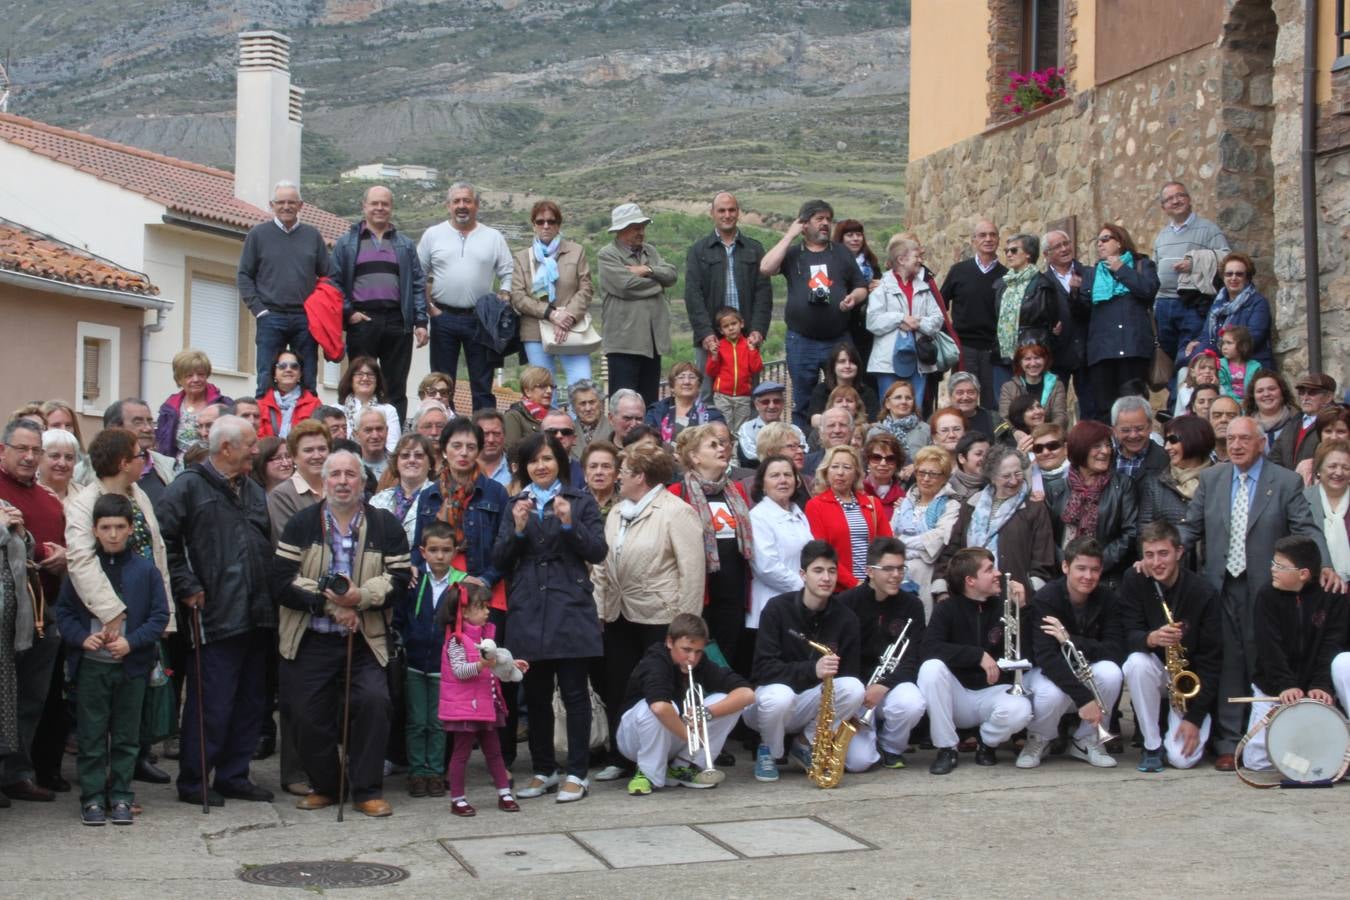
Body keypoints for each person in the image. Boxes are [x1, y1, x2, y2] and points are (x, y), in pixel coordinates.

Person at [1177, 416, 1337, 770]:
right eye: (1231, 439)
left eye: (1244, 439)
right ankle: (1229, 742)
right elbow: (1191, 528)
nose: (1235, 445)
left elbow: (1306, 528)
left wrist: (1323, 564)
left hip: (1267, 589)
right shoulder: (1212, 479)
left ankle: (1271, 737)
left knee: (1261, 658)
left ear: (1261, 442)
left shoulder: (1285, 481)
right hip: (1222, 585)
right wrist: (1166, 553)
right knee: (1230, 659)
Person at [272, 450, 411, 817]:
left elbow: (399, 581)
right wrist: (332, 604)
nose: (343, 481)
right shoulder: (302, 523)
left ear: (363, 483)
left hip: (365, 639)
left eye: (351, 474)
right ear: (324, 481)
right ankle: (328, 786)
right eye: (335, 474)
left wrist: (360, 598)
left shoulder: (386, 525)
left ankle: (366, 790)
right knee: (305, 714)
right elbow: (280, 582)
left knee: (374, 704)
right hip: (310, 636)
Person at [157, 415, 275, 806]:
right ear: (226, 448)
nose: (256, 451)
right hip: (213, 615)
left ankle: (233, 775)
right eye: (250, 444)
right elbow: (165, 543)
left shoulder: (254, 489)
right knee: (212, 703)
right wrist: (187, 585)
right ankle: (194, 781)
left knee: (250, 703)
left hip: (257, 613)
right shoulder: (187, 487)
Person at [493, 433, 606, 802]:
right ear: (524, 468)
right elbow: (500, 559)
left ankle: (577, 772)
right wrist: (520, 530)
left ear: (559, 460)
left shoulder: (579, 499)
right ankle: (543, 769)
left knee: (574, 693)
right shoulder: (516, 503)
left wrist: (571, 524)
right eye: (533, 461)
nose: (540, 466)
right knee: (536, 695)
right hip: (528, 606)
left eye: (547, 459)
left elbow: (598, 551)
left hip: (569, 604)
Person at [54, 493, 170, 826]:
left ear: (132, 529)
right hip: (92, 667)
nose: (114, 534)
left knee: (126, 736)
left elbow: (158, 616)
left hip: (131, 667)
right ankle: (91, 797)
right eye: (106, 527)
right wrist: (80, 638)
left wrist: (132, 643)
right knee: (90, 736)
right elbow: (64, 612)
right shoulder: (83, 570)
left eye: (120, 527)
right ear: (94, 530)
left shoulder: (146, 571)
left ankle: (120, 795)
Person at [591, 444, 703, 781]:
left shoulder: (676, 511)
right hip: (618, 614)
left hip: (661, 617)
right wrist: (598, 608)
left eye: (622, 471)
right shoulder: (615, 511)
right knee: (618, 685)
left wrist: (687, 629)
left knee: (661, 688)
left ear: (640, 476)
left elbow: (693, 571)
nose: (617, 477)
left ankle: (670, 757)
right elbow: (601, 564)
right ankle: (621, 756)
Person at [743, 541, 863, 782]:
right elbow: (763, 670)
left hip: (810, 704)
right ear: (803, 575)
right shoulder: (777, 609)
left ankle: (806, 743)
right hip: (767, 704)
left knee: (854, 688)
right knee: (780, 696)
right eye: (818, 571)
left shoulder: (846, 618)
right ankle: (769, 751)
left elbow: (849, 673)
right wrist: (812, 670)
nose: (826, 578)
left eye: (832, 571)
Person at [918, 547, 1034, 774]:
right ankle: (946, 748)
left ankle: (987, 743)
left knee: (1021, 708)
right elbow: (929, 648)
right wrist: (976, 655)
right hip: (957, 695)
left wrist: (1023, 610)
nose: (998, 574)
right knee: (931, 669)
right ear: (970, 580)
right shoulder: (946, 609)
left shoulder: (1005, 606)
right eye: (990, 569)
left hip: (994, 692)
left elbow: (1027, 654)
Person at [1119, 521, 1223, 771]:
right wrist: (1150, 639)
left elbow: (1212, 659)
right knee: (1136, 663)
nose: (1157, 563)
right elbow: (1126, 634)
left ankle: (1180, 730)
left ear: (1179, 552)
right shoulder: (1134, 579)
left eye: (1163, 553)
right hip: (1155, 668)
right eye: (1149, 555)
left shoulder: (1203, 591)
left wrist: (1194, 718)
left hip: (1188, 681)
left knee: (1181, 760)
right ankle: (1151, 745)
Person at [760, 199, 869, 431]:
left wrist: (854, 298)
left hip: (838, 339)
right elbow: (766, 268)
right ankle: (804, 446)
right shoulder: (792, 253)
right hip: (802, 340)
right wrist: (789, 235)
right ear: (804, 224)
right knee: (802, 399)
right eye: (819, 219)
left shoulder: (840, 252)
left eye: (828, 219)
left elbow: (861, 286)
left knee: (844, 393)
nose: (825, 224)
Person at [618, 613, 755, 794]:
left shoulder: (701, 663)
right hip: (634, 739)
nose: (692, 658)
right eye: (686, 650)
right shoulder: (656, 661)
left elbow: (747, 694)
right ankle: (646, 772)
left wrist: (705, 712)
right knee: (656, 708)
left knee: (726, 700)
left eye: (698, 651)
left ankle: (684, 766)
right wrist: (693, 738)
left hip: (675, 735)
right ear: (669, 642)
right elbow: (660, 707)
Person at [1241, 536, 1347, 771]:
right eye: (1273, 563)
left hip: (1316, 687)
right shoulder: (1266, 596)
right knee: (1256, 761)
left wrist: (1322, 685)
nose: (1272, 569)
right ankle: (1302, 765)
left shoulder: (1332, 596)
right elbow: (1269, 648)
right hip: (1274, 687)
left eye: (1280, 566)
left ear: (1303, 574)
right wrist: (1284, 685)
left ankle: (1311, 762)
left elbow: (1333, 644)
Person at [1017, 537, 1123, 770]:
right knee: (1051, 692)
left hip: (1083, 666)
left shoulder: (1108, 599)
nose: (1088, 576)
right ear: (1066, 567)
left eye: (1094, 570)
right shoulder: (1047, 597)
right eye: (1081, 568)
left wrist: (1069, 640)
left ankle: (1087, 739)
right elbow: (1047, 657)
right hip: (1046, 671)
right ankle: (1040, 738)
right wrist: (1084, 698)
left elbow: (1115, 651)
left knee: (1112, 672)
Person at [0, 419, 64, 802]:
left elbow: (53, 544)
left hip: (45, 608)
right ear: (2, 450)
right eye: (21, 449)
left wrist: (62, 558)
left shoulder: (47, 498)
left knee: (31, 697)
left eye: (35, 450)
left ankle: (16, 773)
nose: (29, 457)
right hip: (4, 611)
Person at [330, 185, 429, 424]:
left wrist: (420, 321)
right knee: (360, 382)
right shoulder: (346, 244)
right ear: (364, 207)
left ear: (391, 208)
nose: (379, 208)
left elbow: (417, 283)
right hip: (363, 320)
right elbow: (333, 283)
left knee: (396, 385)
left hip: (398, 321)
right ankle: (356, 430)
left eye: (385, 204)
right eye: (374, 203)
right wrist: (349, 313)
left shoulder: (405, 245)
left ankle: (393, 442)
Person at [418, 182, 514, 415]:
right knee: (441, 384)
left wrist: (505, 292)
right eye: (457, 201)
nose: (462, 206)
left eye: (467, 201)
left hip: (480, 320)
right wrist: (429, 308)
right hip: (443, 317)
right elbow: (417, 274)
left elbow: (508, 271)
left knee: (482, 384)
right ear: (448, 206)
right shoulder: (433, 235)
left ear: (476, 205)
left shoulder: (493, 237)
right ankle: (443, 432)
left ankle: (485, 435)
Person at [437, 579, 528, 815]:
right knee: (461, 753)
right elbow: (459, 671)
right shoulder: (455, 641)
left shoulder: (485, 637)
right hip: (466, 709)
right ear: (465, 612)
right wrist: (481, 664)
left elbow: (495, 663)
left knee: (494, 751)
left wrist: (510, 664)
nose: (488, 611)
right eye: (482, 607)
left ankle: (504, 793)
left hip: (486, 705)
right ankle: (457, 798)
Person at [834, 538, 927, 770]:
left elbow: (913, 656)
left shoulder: (912, 605)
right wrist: (859, 689)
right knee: (858, 763)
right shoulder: (845, 604)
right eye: (888, 569)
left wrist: (883, 685)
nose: (896, 575)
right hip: (855, 690)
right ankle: (870, 742)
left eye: (900, 568)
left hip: (889, 686)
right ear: (869, 571)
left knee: (912, 702)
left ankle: (891, 747)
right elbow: (838, 657)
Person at [237, 180, 330, 397]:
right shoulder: (258, 235)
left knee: (308, 379)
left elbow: (328, 276)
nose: (286, 206)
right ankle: (265, 429)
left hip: (305, 318)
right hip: (271, 316)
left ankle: (306, 428)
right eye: (281, 202)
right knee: (266, 378)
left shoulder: (313, 236)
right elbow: (244, 275)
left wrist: (318, 310)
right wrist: (259, 310)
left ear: (301, 205)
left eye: (291, 202)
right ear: (272, 205)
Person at [933, 445, 1056, 603]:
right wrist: (942, 588)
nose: (1013, 480)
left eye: (1018, 473)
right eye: (1006, 476)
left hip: (1013, 598)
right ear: (991, 477)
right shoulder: (971, 505)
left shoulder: (1034, 508)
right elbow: (952, 550)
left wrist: (1030, 591)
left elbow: (1043, 560)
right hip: (970, 596)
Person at [685, 192, 773, 404]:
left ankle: (745, 438)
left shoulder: (754, 248)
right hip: (712, 338)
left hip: (746, 338)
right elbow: (693, 295)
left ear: (738, 213)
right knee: (707, 395)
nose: (727, 215)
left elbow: (764, 293)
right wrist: (705, 333)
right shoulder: (698, 250)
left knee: (750, 395)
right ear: (712, 214)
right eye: (722, 210)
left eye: (731, 210)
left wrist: (758, 330)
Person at [509, 200, 594, 391]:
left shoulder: (576, 251)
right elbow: (518, 296)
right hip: (535, 331)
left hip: (572, 329)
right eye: (540, 221)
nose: (546, 226)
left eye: (551, 221)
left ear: (558, 224)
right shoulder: (522, 257)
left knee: (582, 387)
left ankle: (578, 422)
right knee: (542, 390)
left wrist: (568, 316)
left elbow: (586, 288)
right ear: (533, 225)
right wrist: (552, 314)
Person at [597, 203, 677, 402]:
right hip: (624, 343)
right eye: (636, 227)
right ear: (621, 230)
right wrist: (659, 285)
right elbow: (626, 285)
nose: (641, 232)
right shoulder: (607, 254)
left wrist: (648, 270)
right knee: (624, 403)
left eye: (642, 227)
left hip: (651, 342)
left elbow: (672, 274)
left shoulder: (650, 251)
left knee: (649, 402)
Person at [1152, 181, 1230, 384]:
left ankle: (1177, 404)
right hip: (1163, 303)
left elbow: (1226, 258)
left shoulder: (1208, 229)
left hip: (1192, 302)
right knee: (1168, 355)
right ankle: (1175, 401)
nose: (1175, 201)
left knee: (1188, 354)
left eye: (1180, 196)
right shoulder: (1162, 236)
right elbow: (1156, 266)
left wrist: (1195, 263)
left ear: (1189, 199)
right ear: (1163, 207)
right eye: (1169, 199)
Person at [1045, 420, 1138, 586]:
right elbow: (1047, 536)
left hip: (1107, 580)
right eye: (1097, 446)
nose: (1105, 451)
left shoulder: (1123, 485)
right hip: (1064, 577)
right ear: (1080, 448)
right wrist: (1069, 565)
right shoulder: (1055, 489)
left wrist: (1095, 565)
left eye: (1108, 445)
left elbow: (1130, 534)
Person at [1082, 223, 1160, 418]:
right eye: (1097, 241)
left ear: (1120, 242)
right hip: (1103, 352)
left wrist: (1121, 269)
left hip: (1133, 348)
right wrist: (1076, 293)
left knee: (1134, 406)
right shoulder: (1092, 274)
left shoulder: (1142, 265)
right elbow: (1083, 310)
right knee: (1105, 411)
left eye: (1105, 239)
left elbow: (1148, 290)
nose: (1100, 244)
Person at [866, 235, 945, 406]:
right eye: (916, 256)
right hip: (888, 362)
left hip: (918, 361)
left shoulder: (924, 288)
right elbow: (872, 322)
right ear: (901, 260)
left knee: (914, 409)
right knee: (889, 410)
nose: (920, 260)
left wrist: (918, 323)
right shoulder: (882, 288)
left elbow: (938, 320)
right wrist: (899, 318)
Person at [748, 454, 814, 659]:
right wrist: (806, 589)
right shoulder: (758, 516)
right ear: (763, 484)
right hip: (771, 605)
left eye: (788, 474)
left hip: (801, 605)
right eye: (775, 475)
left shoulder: (798, 513)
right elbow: (766, 567)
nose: (783, 480)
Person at [805, 446, 892, 592]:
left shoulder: (872, 504)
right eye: (834, 467)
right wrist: (854, 584)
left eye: (847, 467)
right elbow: (822, 553)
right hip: (837, 589)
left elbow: (887, 545)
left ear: (856, 473)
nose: (840, 473)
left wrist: (876, 580)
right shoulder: (815, 505)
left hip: (873, 586)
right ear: (826, 471)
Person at [940, 218, 1005, 409]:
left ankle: (991, 438)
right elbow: (939, 305)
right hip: (964, 347)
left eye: (992, 235)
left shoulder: (1007, 276)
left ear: (998, 240)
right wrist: (949, 334)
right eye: (982, 235)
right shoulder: (959, 271)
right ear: (973, 240)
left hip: (993, 349)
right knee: (963, 397)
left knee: (992, 401)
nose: (988, 239)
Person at [891, 446, 959, 616]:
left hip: (925, 574)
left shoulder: (951, 505)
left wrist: (902, 542)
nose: (926, 479)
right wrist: (904, 543)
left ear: (944, 478)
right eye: (921, 473)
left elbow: (937, 539)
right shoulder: (905, 502)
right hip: (896, 571)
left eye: (933, 474)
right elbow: (890, 533)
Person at [1137, 414, 1215, 561]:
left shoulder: (1220, 480)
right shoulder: (1155, 484)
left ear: (1194, 438)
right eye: (1166, 441)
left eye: (1173, 440)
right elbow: (1144, 532)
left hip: (1212, 572)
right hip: (1171, 572)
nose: (1167, 447)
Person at [990, 233, 1058, 392]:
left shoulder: (1043, 285)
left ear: (1028, 253)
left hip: (1031, 352)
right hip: (1003, 354)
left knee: (1030, 402)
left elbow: (1051, 319)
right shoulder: (1002, 284)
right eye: (1006, 251)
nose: (1008, 254)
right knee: (1004, 402)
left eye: (1013, 250)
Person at [1041, 229, 1095, 421]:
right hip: (1057, 354)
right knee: (1054, 410)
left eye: (1066, 243)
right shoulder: (1042, 282)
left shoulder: (1089, 274)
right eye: (1058, 246)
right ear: (1047, 255)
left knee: (1091, 408)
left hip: (1088, 352)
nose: (1065, 249)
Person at [1190, 251, 1273, 372]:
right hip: (1220, 364)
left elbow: (1253, 338)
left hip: (1249, 366)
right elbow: (1206, 335)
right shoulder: (1217, 304)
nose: (1233, 278)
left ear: (1247, 278)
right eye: (1229, 274)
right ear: (1223, 277)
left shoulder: (1258, 303)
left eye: (1239, 274)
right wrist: (1197, 343)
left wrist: (1212, 348)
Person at [155, 349, 231, 460]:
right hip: (177, 472)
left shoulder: (223, 404)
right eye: (189, 375)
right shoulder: (169, 408)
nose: (196, 379)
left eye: (200, 374)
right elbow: (162, 445)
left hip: (213, 467)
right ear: (179, 379)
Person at [101, 399, 179, 506]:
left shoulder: (167, 466)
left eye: (150, 421)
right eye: (138, 422)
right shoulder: (88, 470)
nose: (148, 428)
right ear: (115, 428)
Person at [704, 308, 763, 432]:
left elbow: (756, 368)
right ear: (721, 330)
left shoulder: (748, 344)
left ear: (741, 324)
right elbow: (711, 372)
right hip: (722, 396)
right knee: (724, 427)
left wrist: (752, 350)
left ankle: (737, 451)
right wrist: (714, 356)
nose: (731, 328)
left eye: (734, 324)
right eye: (726, 326)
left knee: (741, 430)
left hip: (743, 396)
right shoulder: (719, 346)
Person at [1269, 373, 1337, 473]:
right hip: (1289, 485)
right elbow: (1274, 457)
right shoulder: (1293, 422)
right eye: (1302, 392)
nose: (1305, 397)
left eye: (1312, 392)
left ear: (1328, 397)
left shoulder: (1334, 424)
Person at [646, 362, 725, 446]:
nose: (687, 382)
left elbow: (721, 443)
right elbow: (647, 441)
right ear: (672, 387)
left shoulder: (713, 415)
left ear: (699, 386)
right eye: (681, 377)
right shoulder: (656, 411)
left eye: (692, 377)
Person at [1305, 439, 1350, 581]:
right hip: (1315, 586)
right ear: (1318, 469)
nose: (1339, 472)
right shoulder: (1302, 501)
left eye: (1346, 467)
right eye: (1332, 466)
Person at [998, 343, 1067, 432]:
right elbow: (1004, 418)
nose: (1033, 363)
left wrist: (1046, 435)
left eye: (1037, 358)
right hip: (1018, 439)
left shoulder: (1057, 385)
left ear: (1045, 360)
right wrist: (1015, 433)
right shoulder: (1008, 387)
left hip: (1049, 436)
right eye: (1027, 359)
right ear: (1020, 363)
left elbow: (1060, 416)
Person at [256, 349, 322, 441]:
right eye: (282, 366)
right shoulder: (260, 405)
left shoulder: (314, 404)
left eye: (294, 366)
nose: (288, 369)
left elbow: (317, 437)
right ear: (274, 374)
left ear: (300, 374)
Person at [339, 356, 401, 453]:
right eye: (359, 374)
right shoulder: (338, 409)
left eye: (370, 374)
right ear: (351, 380)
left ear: (377, 381)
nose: (365, 378)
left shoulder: (389, 410)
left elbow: (393, 448)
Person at [737, 382, 804, 466]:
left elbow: (805, 451)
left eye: (777, 401)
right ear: (757, 405)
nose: (771, 406)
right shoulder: (748, 428)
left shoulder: (794, 429)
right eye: (765, 402)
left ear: (782, 404)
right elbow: (750, 454)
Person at [870, 380, 930, 469]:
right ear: (887, 403)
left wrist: (916, 467)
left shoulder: (925, 429)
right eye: (898, 397)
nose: (904, 402)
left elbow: (933, 460)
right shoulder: (875, 432)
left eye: (908, 398)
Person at [1111, 394, 1168, 484]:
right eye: (1126, 430)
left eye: (1139, 429)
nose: (1133, 435)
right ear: (1115, 431)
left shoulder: (1165, 460)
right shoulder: (1105, 458)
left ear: (1150, 427)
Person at [501, 366, 554, 457]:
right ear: (527, 391)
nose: (549, 391)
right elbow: (512, 452)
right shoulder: (514, 416)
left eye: (552, 386)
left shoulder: (556, 415)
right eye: (542, 386)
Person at [1243, 369, 1297, 453]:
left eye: (1272, 389)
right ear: (1253, 396)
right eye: (1260, 391)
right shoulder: (1245, 426)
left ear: (1282, 392)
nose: (1266, 394)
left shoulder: (1298, 421)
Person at [948, 372, 1009, 445]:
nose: (965, 397)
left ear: (978, 395)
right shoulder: (939, 420)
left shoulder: (995, 419)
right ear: (950, 396)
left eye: (970, 392)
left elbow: (1008, 448)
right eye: (960, 393)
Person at [861, 432, 906, 525]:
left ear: (897, 464)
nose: (883, 463)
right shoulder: (855, 492)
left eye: (890, 459)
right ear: (867, 461)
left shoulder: (903, 499)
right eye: (876, 458)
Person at [1216, 325, 1260, 403]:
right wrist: (1238, 402)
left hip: (1250, 403)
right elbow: (1225, 388)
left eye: (1229, 343)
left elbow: (1257, 388)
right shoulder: (1220, 364)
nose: (1224, 347)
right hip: (1228, 402)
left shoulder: (1255, 367)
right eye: (1223, 343)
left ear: (1243, 346)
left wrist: (1248, 402)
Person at [1175, 349, 1220, 418]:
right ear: (1192, 372)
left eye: (1211, 368)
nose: (1207, 371)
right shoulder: (1186, 388)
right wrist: (1200, 387)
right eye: (1202, 368)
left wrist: (1215, 389)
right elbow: (1191, 407)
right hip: (1187, 422)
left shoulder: (1219, 387)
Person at [581, 440, 620, 519]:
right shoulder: (574, 503)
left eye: (606, 466)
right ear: (585, 473)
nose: (599, 472)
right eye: (593, 466)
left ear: (616, 474)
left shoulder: (628, 503)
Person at [354, 407, 391, 487]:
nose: (375, 436)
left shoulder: (398, 464)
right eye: (368, 430)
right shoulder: (349, 466)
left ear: (387, 431)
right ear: (356, 435)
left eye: (379, 429)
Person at [569, 381, 606, 460]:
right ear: (573, 408)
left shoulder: (614, 429)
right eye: (582, 403)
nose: (588, 408)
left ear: (601, 403)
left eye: (592, 402)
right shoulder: (566, 433)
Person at [38, 429, 78, 503]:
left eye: (69, 457)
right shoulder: (26, 494)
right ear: (39, 457)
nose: (62, 464)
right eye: (55, 456)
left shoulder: (85, 496)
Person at [1208, 395, 1242, 462]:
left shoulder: (1251, 456)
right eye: (1217, 416)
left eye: (1231, 416)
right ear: (1208, 420)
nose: (1223, 420)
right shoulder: (1198, 455)